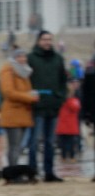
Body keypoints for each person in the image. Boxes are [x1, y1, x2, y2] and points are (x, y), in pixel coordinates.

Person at [27, 30, 68, 182]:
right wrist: (30, 96)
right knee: (34, 142)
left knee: (50, 142)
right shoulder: (31, 58)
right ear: (38, 41)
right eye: (44, 39)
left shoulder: (58, 58)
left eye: (49, 39)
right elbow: (25, 80)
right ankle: (32, 172)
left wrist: (60, 98)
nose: (47, 42)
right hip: (37, 107)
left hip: (54, 106)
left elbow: (63, 81)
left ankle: (49, 172)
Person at [0, 49, 39, 170]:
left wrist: (32, 94)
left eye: (24, 56)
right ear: (14, 58)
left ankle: (13, 171)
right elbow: (8, 92)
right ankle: (12, 172)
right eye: (19, 57)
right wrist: (29, 97)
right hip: (12, 113)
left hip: (23, 113)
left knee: (18, 146)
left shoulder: (24, 71)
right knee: (14, 146)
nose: (23, 59)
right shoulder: (8, 70)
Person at [56, 80, 82, 163]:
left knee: (63, 143)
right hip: (71, 126)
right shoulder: (73, 100)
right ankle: (71, 157)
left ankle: (63, 157)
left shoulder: (61, 101)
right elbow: (77, 107)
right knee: (71, 143)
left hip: (63, 126)